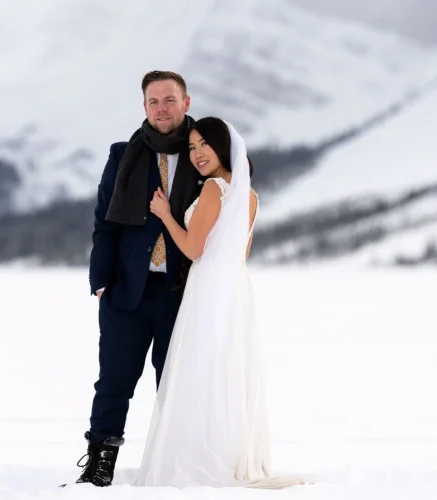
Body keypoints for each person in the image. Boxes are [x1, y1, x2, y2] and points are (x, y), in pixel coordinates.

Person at [134, 117, 307, 488]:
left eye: (204, 145)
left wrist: (165, 215)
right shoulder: (250, 194)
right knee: (228, 369)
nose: (197, 154)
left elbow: (195, 249)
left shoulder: (214, 188)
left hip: (210, 285)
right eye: (192, 147)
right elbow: (241, 252)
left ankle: (200, 454)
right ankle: (227, 451)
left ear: (223, 147)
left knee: (203, 369)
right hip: (236, 287)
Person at [71, 70, 205, 487]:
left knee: (179, 384)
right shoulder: (122, 154)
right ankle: (100, 463)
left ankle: (179, 464)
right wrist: (100, 281)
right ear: (143, 106)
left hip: (181, 292)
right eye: (153, 101)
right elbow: (104, 223)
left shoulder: (205, 155)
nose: (161, 108)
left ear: (186, 102)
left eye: (169, 100)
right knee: (114, 381)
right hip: (125, 290)